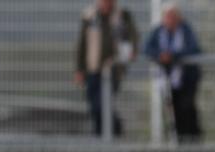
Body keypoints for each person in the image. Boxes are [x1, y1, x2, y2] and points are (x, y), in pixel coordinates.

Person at [74, 0, 138, 137]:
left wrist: (132, 50)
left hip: (113, 70)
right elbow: (82, 44)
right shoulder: (90, 16)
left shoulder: (122, 16)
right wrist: (79, 69)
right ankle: (103, 143)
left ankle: (114, 133)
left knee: (104, 104)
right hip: (92, 69)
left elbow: (133, 37)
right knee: (95, 108)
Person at [145, 3, 202, 143]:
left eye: (173, 17)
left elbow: (194, 49)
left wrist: (174, 56)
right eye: (167, 17)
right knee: (173, 115)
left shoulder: (186, 31)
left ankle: (192, 145)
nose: (170, 20)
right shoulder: (158, 31)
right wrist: (160, 55)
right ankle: (178, 147)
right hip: (167, 81)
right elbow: (147, 48)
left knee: (187, 111)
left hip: (186, 81)